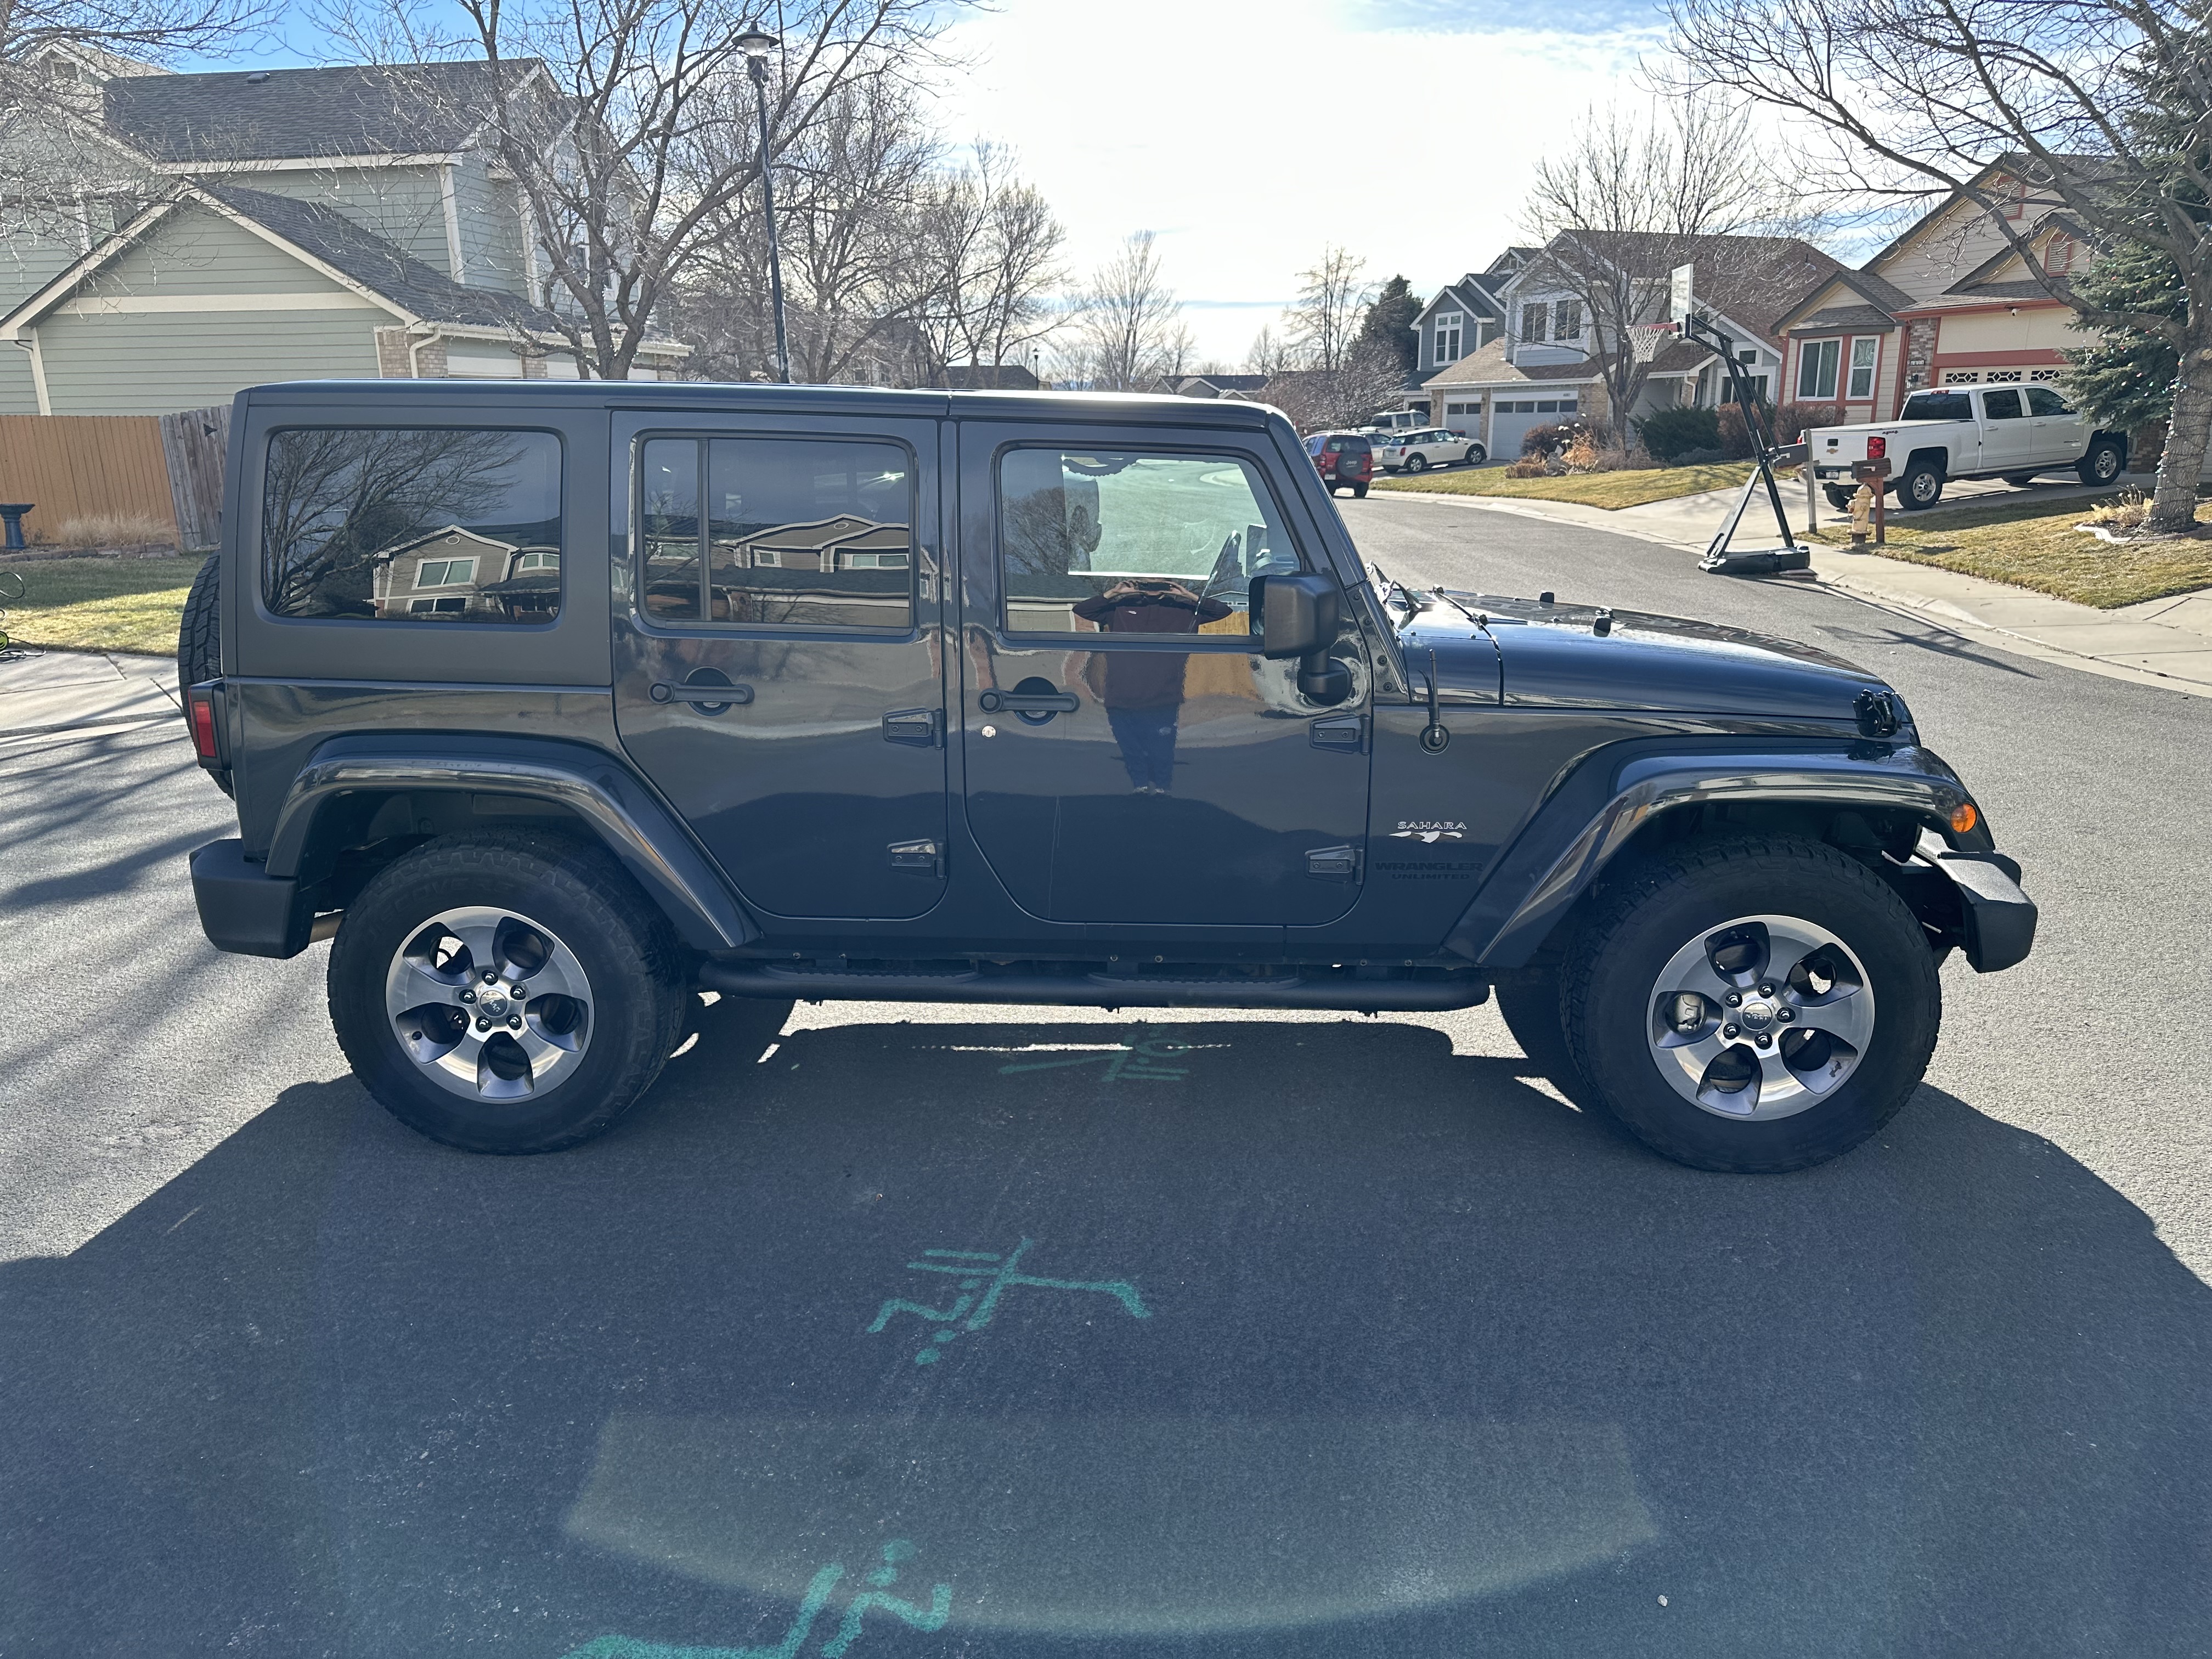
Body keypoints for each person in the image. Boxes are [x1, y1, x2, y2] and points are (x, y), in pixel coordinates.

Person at [1071, 579, 1229, 794]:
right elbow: (1082, 610)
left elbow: (1223, 611)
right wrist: (1115, 592)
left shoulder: (1184, 609)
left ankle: (1163, 789)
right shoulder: (1121, 606)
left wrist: (1188, 595)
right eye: (1147, 583)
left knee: (1162, 748)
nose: (1153, 587)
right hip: (1121, 692)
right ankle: (1140, 786)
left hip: (1164, 693)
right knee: (1130, 746)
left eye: (1159, 583)